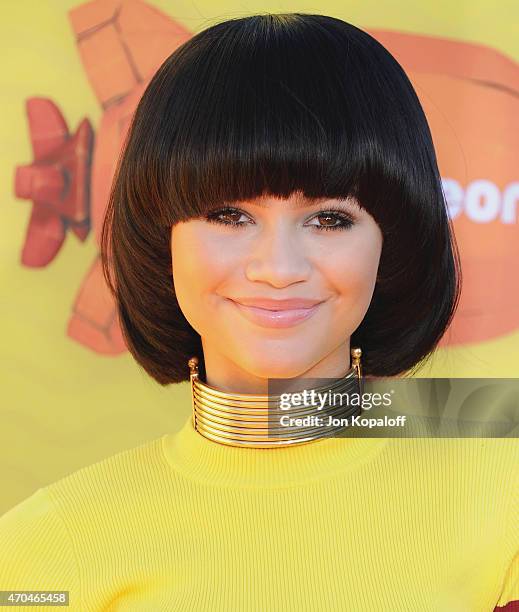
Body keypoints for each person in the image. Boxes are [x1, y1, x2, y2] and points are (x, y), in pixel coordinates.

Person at [1, 13, 517, 611]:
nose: (278, 267)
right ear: (161, 236)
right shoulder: (51, 545)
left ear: (391, 243)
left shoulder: (500, 493)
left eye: (330, 219)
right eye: (229, 215)